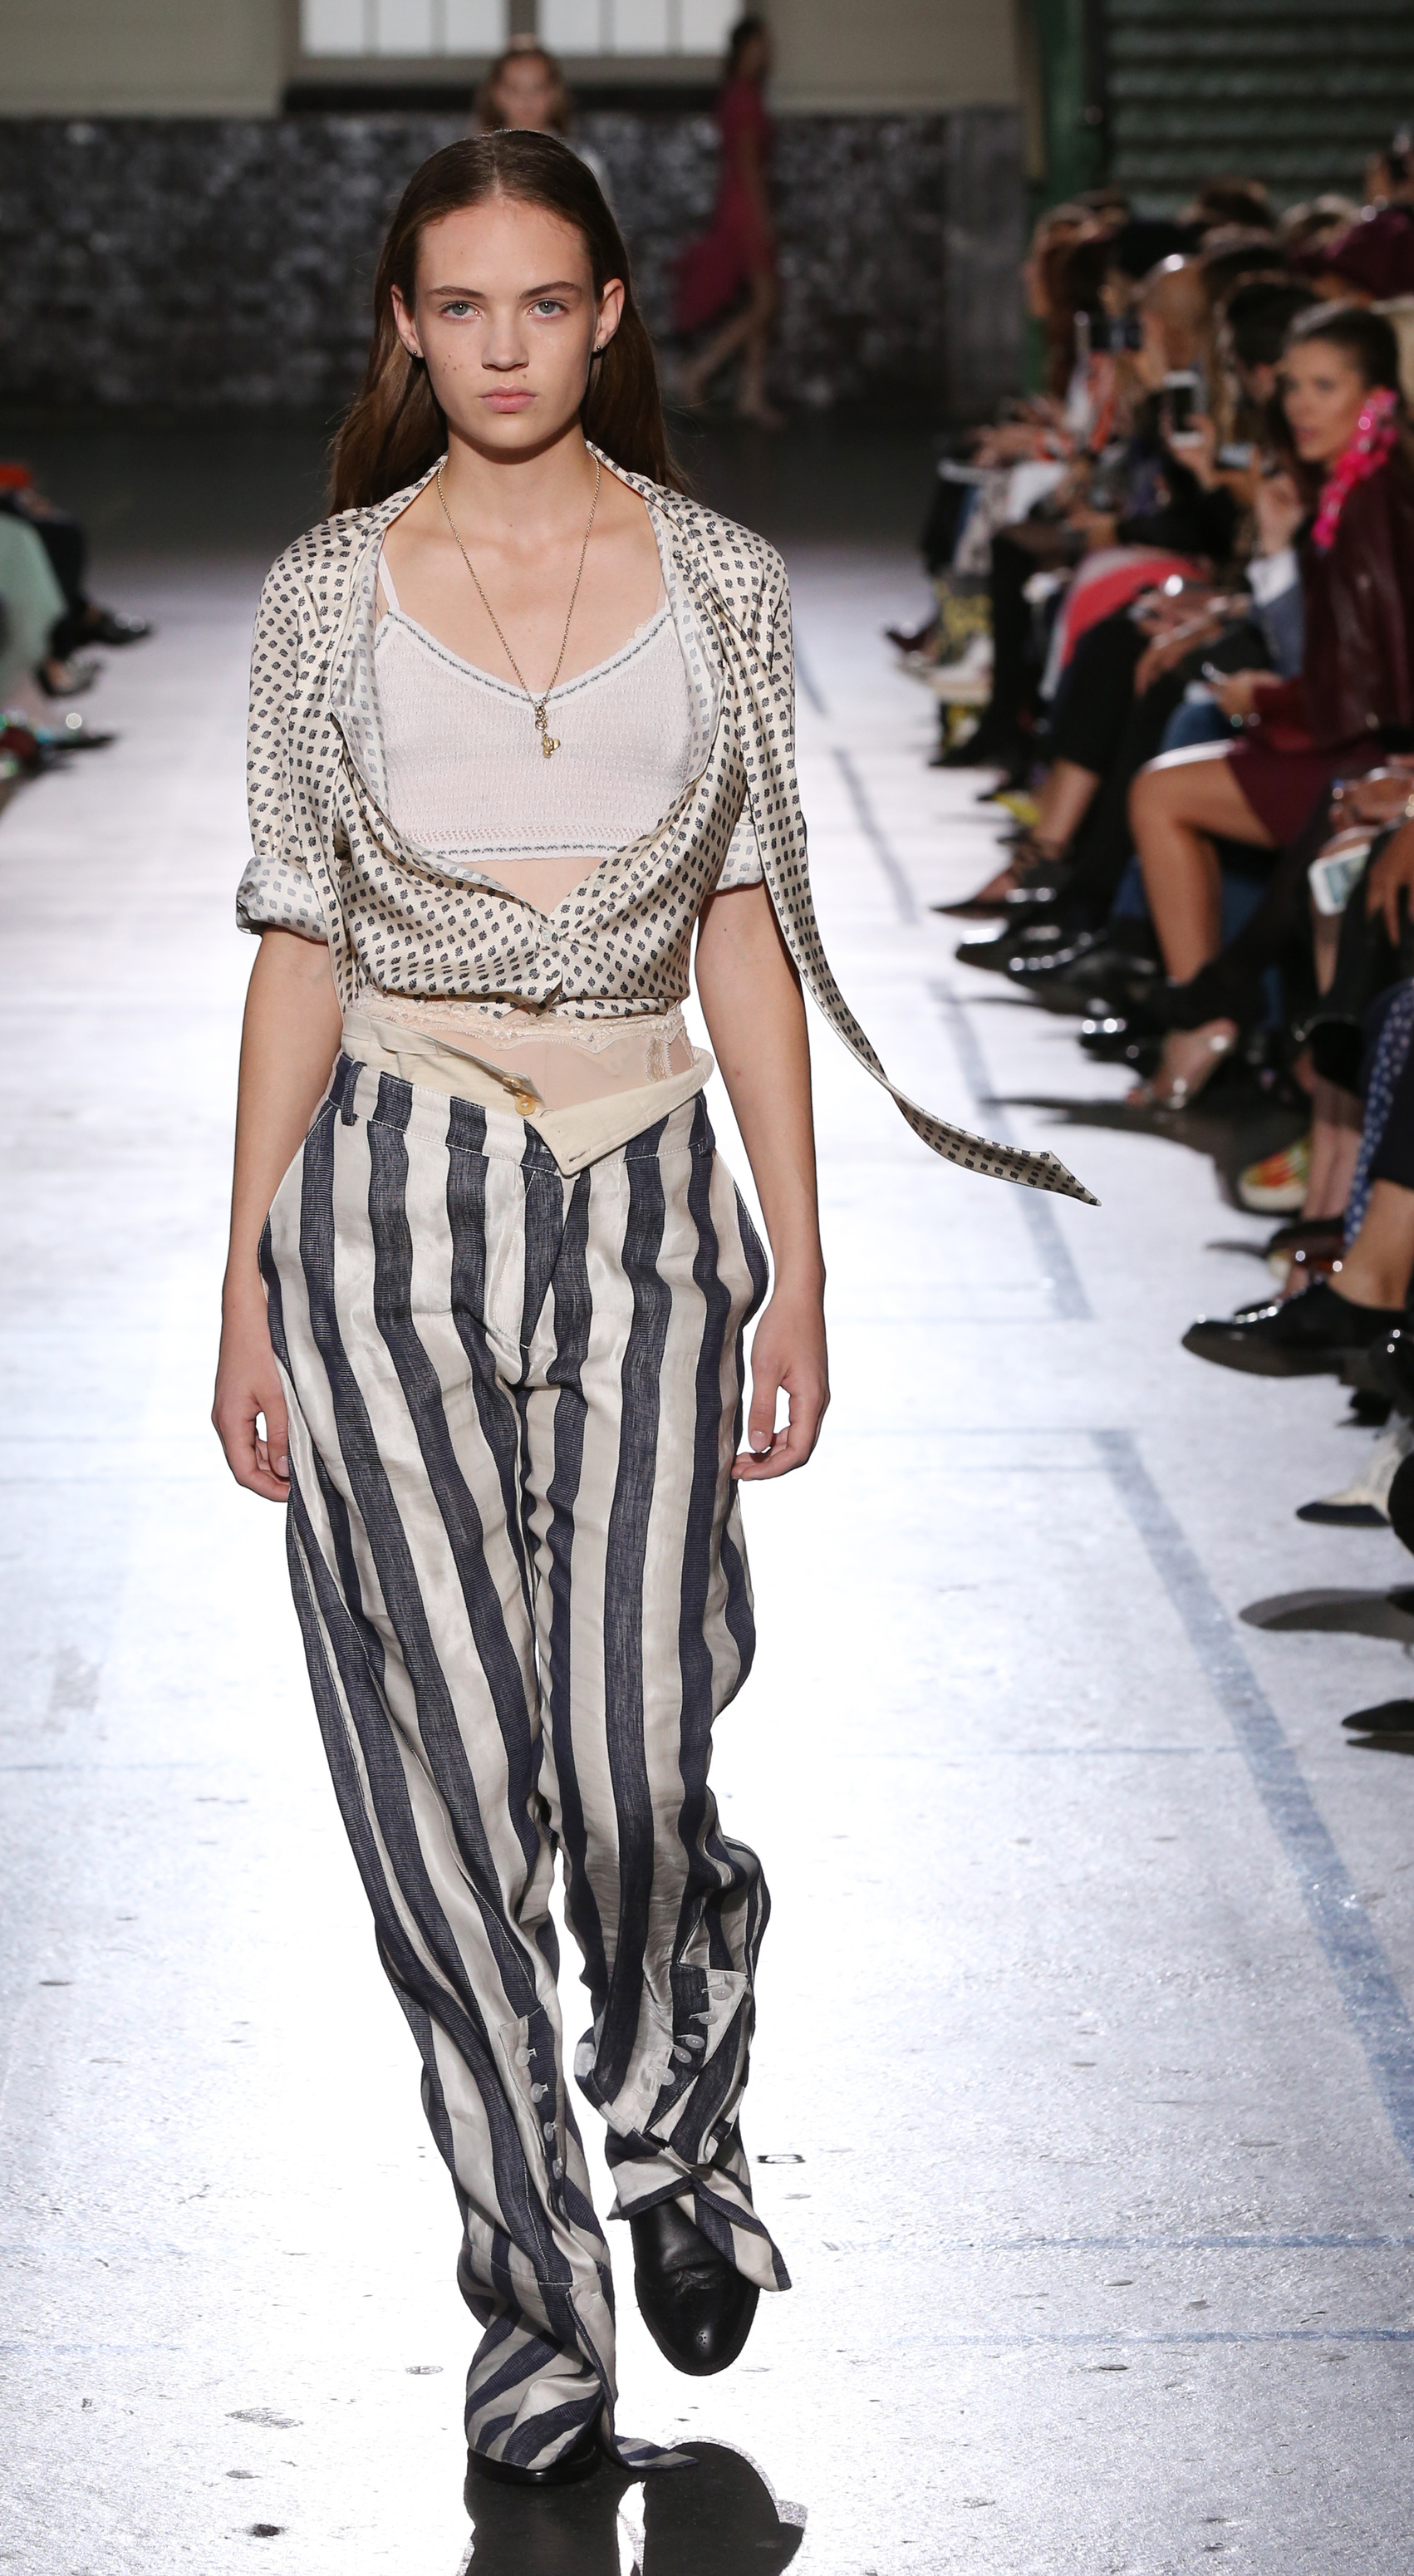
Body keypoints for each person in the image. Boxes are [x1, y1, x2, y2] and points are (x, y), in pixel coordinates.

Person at [212, 130, 1089, 2492]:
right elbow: (295, 938)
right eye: (457, 307)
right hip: (381, 1199)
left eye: (544, 302)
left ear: (609, 313)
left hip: (642, 1193)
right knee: (434, 1798)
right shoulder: (321, 598)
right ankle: (534, 2317)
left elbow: (743, 929)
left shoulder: (718, 580)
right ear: (408, 327)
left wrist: (800, 1257)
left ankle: (678, 2111)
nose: (501, 346)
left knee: (626, 1749)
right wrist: (240, 1286)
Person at [1128, 305, 1414, 1106]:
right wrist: (1280, 544)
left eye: (1324, 387)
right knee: (1168, 771)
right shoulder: (1350, 488)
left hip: (1365, 751)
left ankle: (1205, 1014)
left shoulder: (1373, 504)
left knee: (1161, 792)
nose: (1299, 406)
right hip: (1348, 739)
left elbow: (1364, 688)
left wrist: (1262, 698)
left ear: (1376, 397)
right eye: (1292, 386)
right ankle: (1208, 1009)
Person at [674, 17, 782, 429]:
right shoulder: (744, 97)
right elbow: (748, 161)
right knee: (765, 301)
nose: (766, 52)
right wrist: (762, 214)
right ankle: (700, 369)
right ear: (745, 49)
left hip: (737, 201)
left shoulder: (739, 93)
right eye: (760, 45)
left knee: (759, 300)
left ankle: (750, 394)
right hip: (745, 206)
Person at [474, 35, 609, 199]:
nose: (526, 100)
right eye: (515, 90)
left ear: (554, 93)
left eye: (537, 89)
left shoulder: (581, 161)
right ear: (497, 93)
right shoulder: (476, 160)